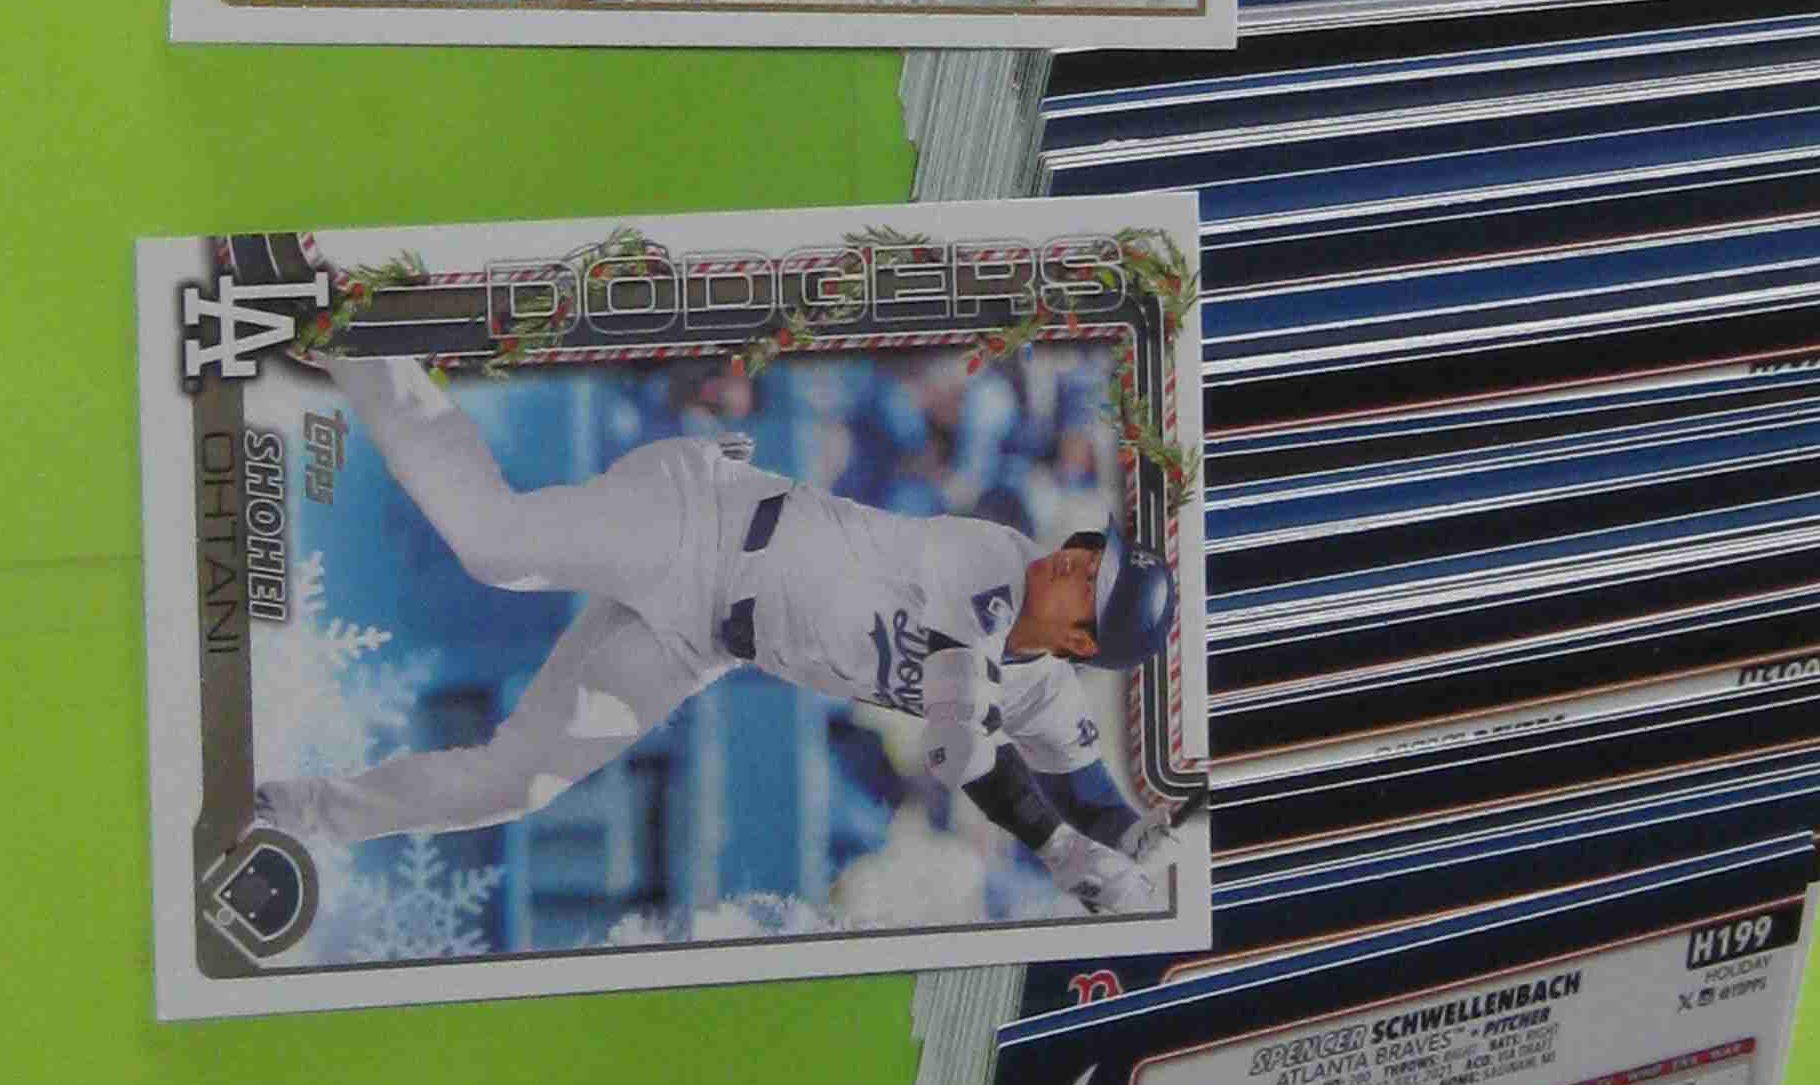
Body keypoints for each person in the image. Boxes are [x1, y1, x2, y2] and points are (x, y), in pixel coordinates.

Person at [252, 354, 1178, 919]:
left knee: (516, 782)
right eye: (1087, 554)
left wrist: (1137, 848)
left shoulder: (1043, 688)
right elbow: (957, 748)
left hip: (703, 641)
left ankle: (286, 810)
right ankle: (359, 344)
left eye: (1089, 585)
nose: (1073, 562)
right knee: (496, 546)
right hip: (702, 522)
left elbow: (1089, 787)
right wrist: (1061, 851)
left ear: (1081, 644)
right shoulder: (992, 559)